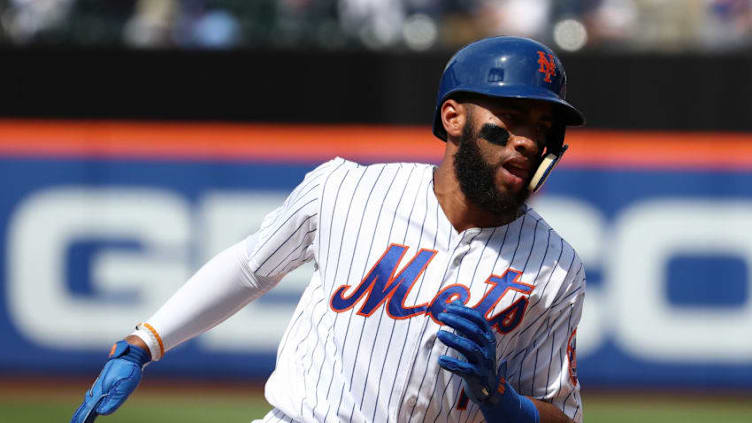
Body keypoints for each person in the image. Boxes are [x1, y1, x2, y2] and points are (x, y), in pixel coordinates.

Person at [71, 36, 586, 423]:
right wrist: (145, 341)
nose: (528, 141)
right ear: (453, 117)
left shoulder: (557, 268)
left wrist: (504, 401)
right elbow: (252, 268)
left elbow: (562, 413)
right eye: (514, 116)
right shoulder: (346, 189)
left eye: (543, 128)